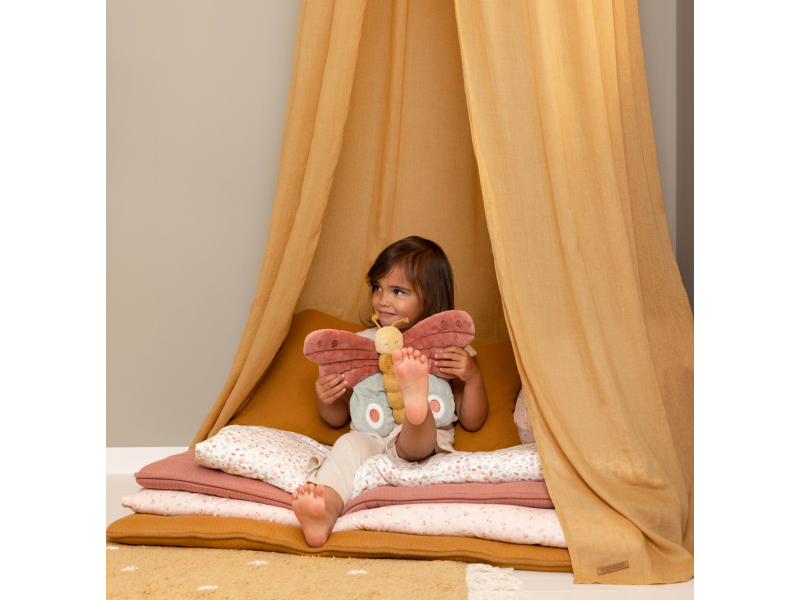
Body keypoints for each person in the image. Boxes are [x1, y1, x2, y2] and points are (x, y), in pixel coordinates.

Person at [291, 236, 489, 547]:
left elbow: (472, 421)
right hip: (371, 438)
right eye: (377, 288)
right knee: (347, 445)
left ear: (431, 298)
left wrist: (472, 377)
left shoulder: (447, 348)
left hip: (424, 442)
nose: (383, 300)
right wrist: (325, 396)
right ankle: (324, 511)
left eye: (398, 291)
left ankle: (416, 405)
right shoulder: (359, 345)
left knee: (414, 439)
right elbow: (338, 418)